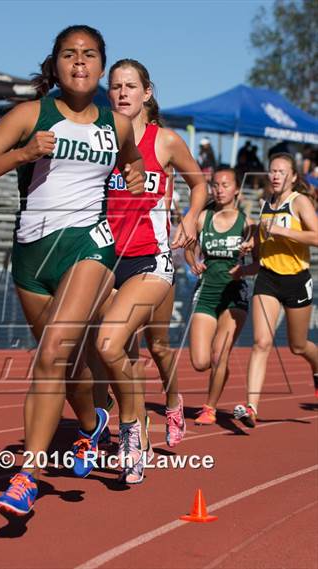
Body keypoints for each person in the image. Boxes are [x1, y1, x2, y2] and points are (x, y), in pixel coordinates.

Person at [0, 25, 145, 516]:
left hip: (88, 247)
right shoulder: (29, 115)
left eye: (88, 55)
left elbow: (132, 158)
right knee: (67, 372)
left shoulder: (117, 123)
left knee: (50, 355)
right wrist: (23, 152)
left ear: (101, 66)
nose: (79, 62)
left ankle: (26, 477)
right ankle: (90, 426)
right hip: (31, 256)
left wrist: (134, 170)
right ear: (55, 64)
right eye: (68, 54)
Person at [95, 59, 206, 483]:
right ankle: (135, 432)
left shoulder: (166, 142)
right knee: (119, 351)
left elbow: (198, 183)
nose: (122, 93)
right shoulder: (101, 141)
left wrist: (192, 218)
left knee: (155, 348)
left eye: (130, 86)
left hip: (151, 258)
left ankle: (172, 402)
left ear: (147, 92)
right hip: (107, 260)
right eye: (115, 87)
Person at [234, 153, 318, 427]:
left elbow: (316, 237)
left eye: (282, 171)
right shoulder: (266, 204)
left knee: (297, 345)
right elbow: (264, 236)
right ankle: (251, 407)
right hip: (268, 277)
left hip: (296, 279)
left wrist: (283, 232)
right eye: (272, 171)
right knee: (261, 343)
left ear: (293, 177)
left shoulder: (299, 202)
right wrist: (251, 245)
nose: (276, 175)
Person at [185, 168, 258, 425]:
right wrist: (193, 262)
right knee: (200, 361)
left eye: (225, 185)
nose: (219, 189)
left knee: (219, 353)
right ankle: (220, 372)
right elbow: (189, 249)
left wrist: (244, 268)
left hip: (233, 295)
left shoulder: (247, 224)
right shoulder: (202, 218)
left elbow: (259, 264)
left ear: (236, 188)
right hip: (206, 293)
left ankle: (210, 407)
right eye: (215, 185)